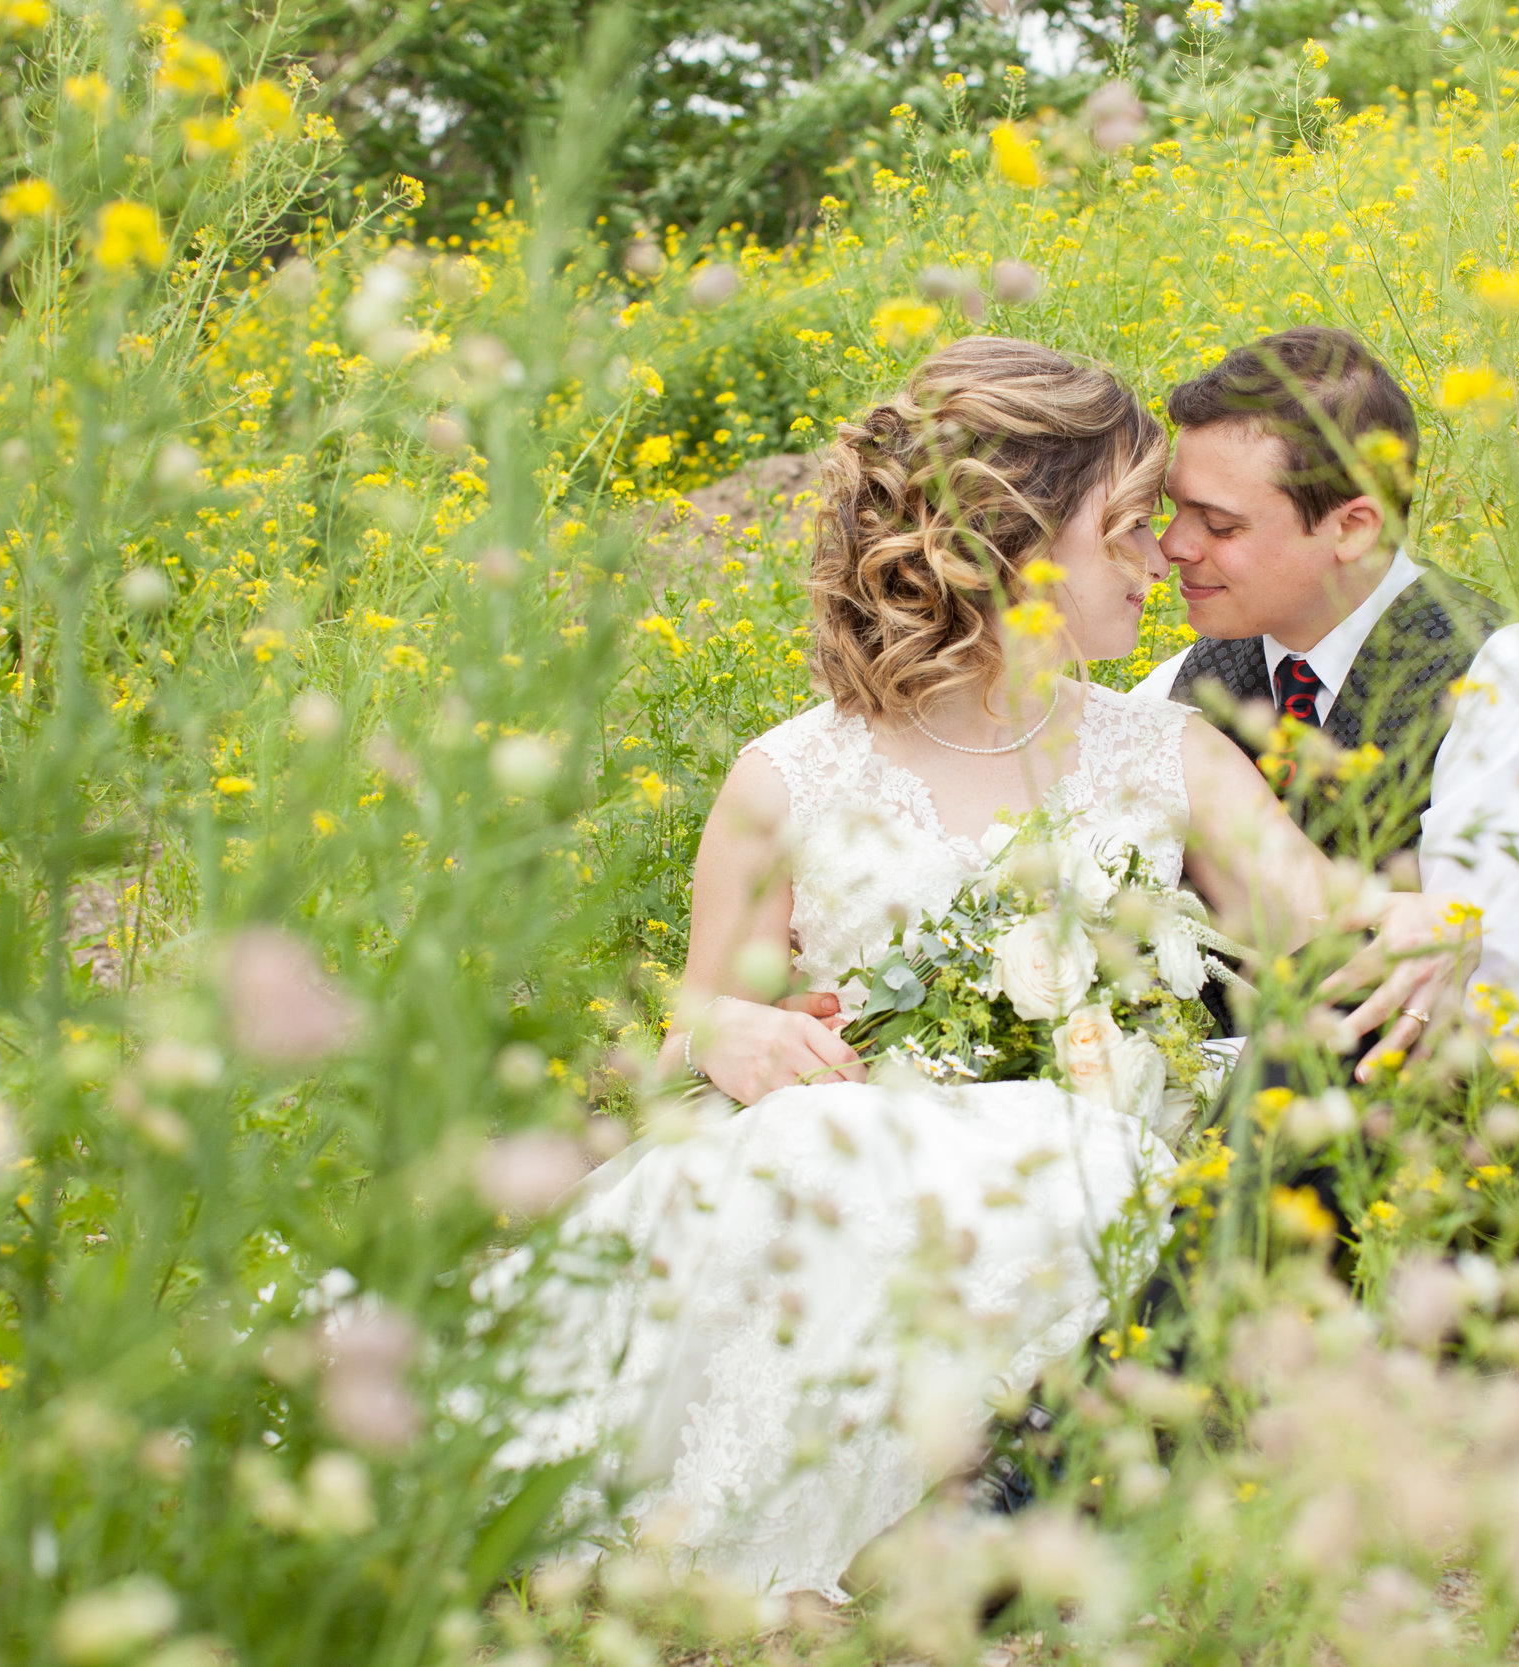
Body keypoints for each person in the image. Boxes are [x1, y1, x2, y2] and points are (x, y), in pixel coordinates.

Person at [476, 337, 1453, 1600]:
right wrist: (721, 1025)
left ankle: (1003, 1500)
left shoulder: (1171, 754)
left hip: (1094, 1173)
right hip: (853, 1187)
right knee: (802, 1156)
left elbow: (1328, 925)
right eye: (1125, 527)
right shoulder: (789, 779)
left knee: (1100, 1160)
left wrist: (1447, 918)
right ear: (1011, 544)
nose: (1162, 558)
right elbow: (687, 1040)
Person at [1133, 327, 1519, 1059]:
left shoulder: (1503, 683)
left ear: (1354, 527)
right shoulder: (1184, 682)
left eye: (1220, 524)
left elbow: (1480, 1018)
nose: (1172, 546)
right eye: (1175, 510)